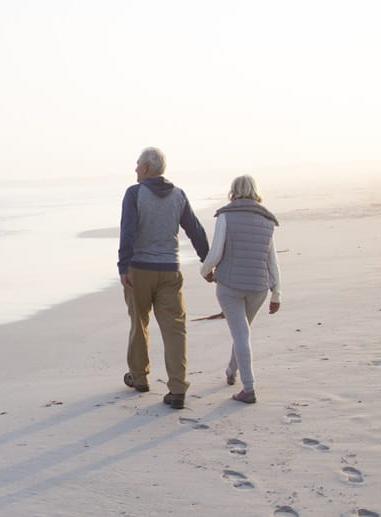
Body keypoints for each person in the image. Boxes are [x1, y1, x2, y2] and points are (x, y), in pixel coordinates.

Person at [118, 147, 210, 409]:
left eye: (137, 164)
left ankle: (139, 377)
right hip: (170, 269)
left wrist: (123, 266)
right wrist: (207, 261)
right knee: (175, 329)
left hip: (139, 269)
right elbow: (195, 230)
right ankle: (178, 388)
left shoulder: (134, 194)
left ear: (146, 168)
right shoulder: (178, 195)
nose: (135, 169)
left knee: (139, 323)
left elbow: (127, 232)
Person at [199, 174, 281, 404]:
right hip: (259, 287)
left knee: (240, 333)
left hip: (230, 286)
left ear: (233, 191)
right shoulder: (267, 220)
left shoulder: (225, 216)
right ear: (256, 191)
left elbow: (215, 253)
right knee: (242, 331)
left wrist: (205, 271)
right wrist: (277, 293)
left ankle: (249, 388)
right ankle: (231, 372)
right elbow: (271, 261)